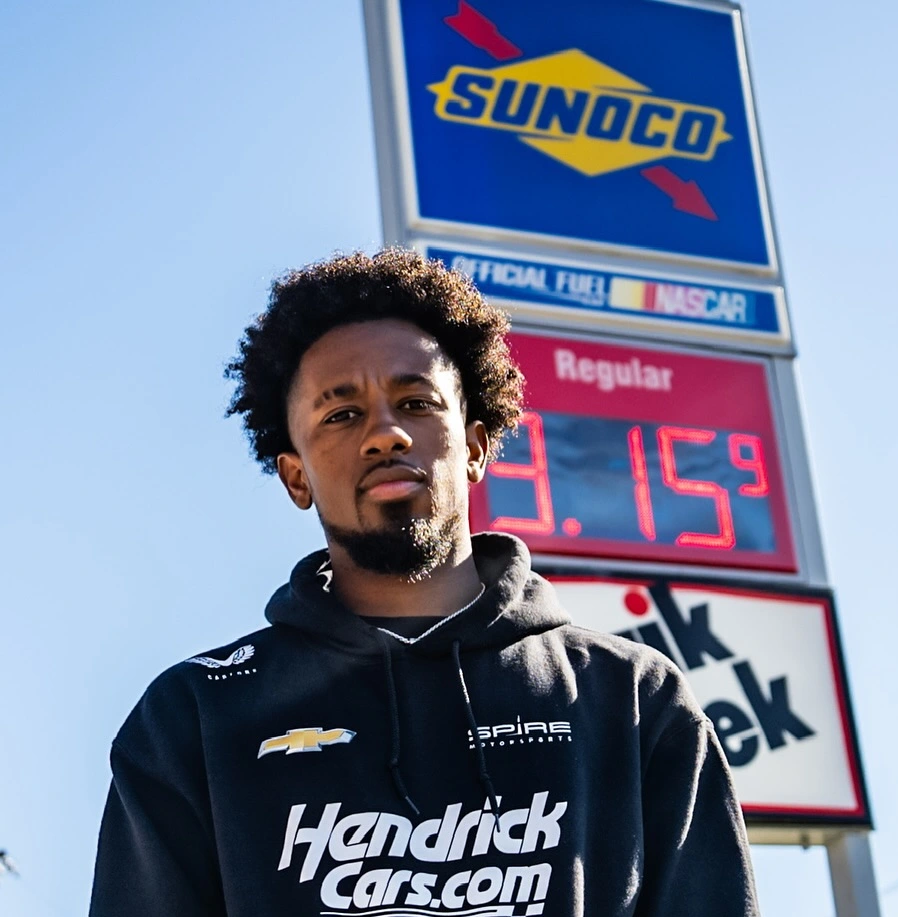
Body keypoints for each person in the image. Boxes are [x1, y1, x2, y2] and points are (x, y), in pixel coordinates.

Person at [88, 249, 759, 917]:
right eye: (341, 414)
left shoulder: (632, 699)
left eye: (415, 401)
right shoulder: (195, 716)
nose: (385, 434)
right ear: (295, 475)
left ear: (474, 444)